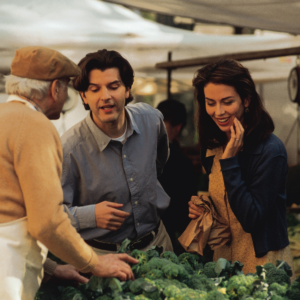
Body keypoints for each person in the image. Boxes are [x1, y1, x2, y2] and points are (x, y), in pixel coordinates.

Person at [0, 46, 138, 300]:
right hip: (7, 273)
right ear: (55, 89)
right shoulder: (35, 126)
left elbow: (11, 208)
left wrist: (53, 268)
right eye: (67, 86)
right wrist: (94, 262)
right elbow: (47, 222)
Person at [189, 58, 295, 276]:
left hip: (262, 263)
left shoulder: (270, 150)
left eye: (227, 102)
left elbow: (251, 219)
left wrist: (230, 162)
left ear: (246, 100)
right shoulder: (212, 146)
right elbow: (225, 200)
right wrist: (204, 208)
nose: (218, 112)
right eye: (210, 102)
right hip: (222, 260)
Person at [61, 49, 173, 255]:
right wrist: (91, 215)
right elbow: (51, 214)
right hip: (103, 257)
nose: (106, 96)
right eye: (94, 89)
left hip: (159, 246)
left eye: (114, 86)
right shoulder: (69, 149)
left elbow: (158, 165)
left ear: (127, 90)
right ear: (83, 96)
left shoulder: (152, 120)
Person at [156, 99, 197, 255]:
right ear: (179, 127)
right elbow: (185, 214)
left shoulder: (136, 151)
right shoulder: (182, 163)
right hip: (166, 237)